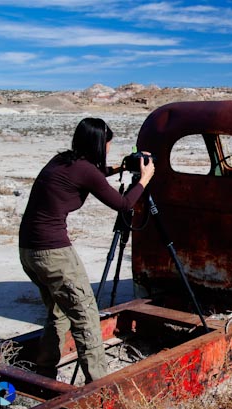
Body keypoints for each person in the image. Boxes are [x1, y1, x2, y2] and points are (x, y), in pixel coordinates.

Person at [18, 117, 154, 383]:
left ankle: (44, 371)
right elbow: (124, 204)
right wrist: (145, 179)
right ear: (100, 144)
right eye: (109, 146)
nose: (109, 151)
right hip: (53, 253)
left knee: (58, 310)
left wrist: (119, 168)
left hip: (28, 250)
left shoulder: (62, 161)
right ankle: (99, 385)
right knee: (86, 315)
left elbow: (92, 175)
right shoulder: (86, 171)